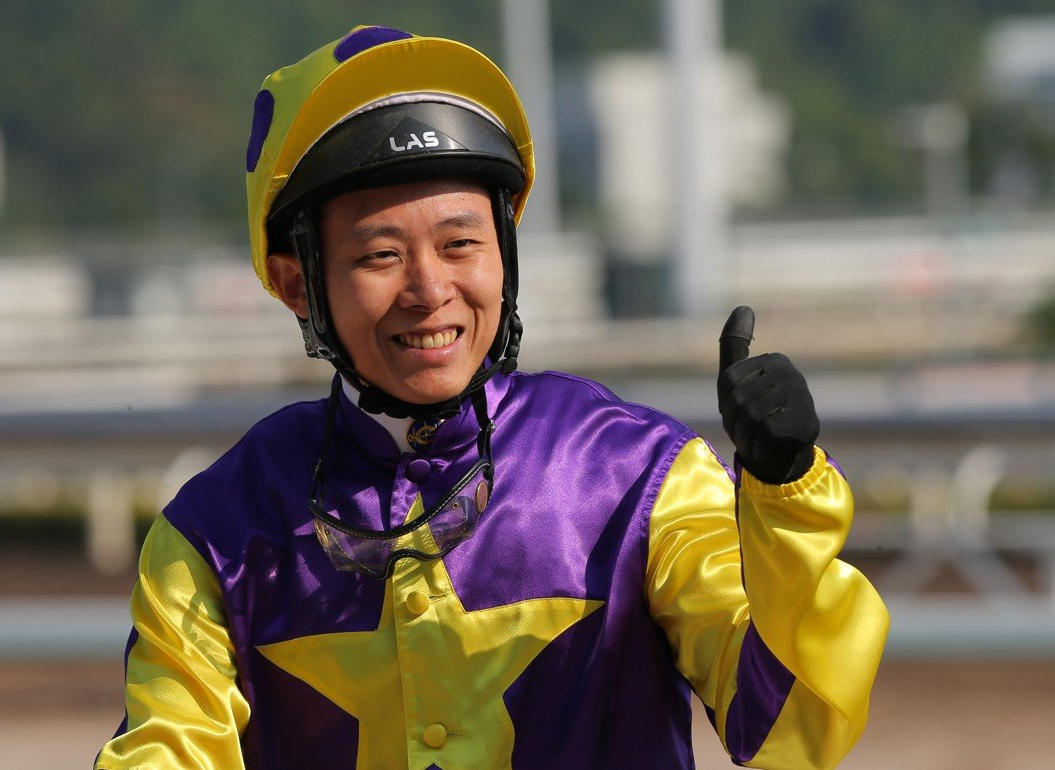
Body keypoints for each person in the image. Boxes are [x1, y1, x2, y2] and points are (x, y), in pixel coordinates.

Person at [94, 25, 888, 770]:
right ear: (299, 284)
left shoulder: (640, 477)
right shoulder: (215, 533)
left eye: (460, 243)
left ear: (504, 254)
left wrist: (783, 497)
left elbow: (790, 727)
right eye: (379, 254)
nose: (430, 290)